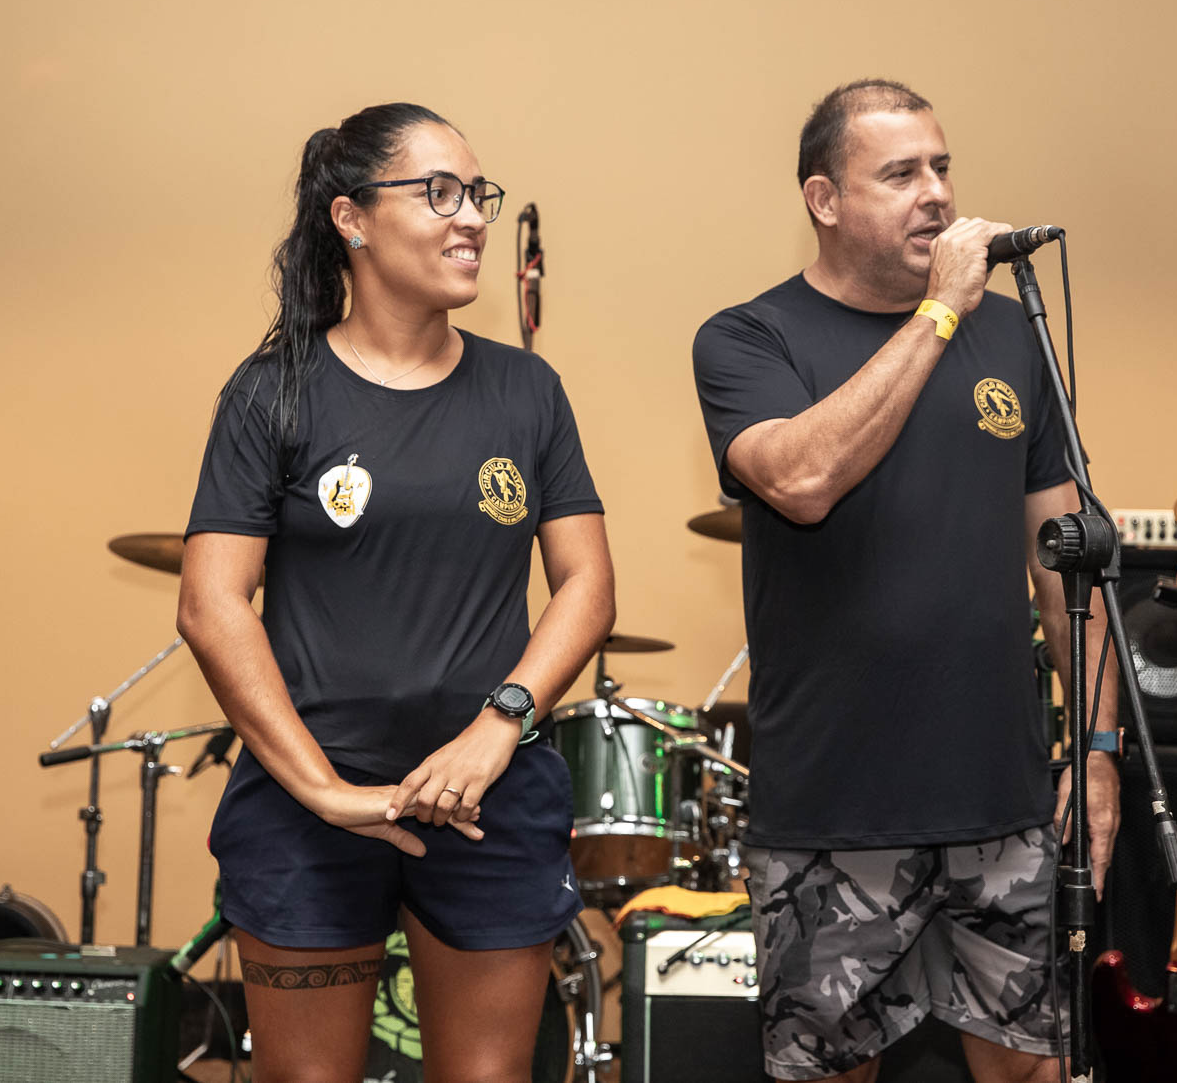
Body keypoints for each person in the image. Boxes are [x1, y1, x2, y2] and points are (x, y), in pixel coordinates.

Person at [177, 102, 615, 1083]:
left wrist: (499, 724)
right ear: (353, 218)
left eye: (477, 194)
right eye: (439, 192)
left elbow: (586, 584)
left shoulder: (527, 391)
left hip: (488, 795)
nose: (472, 217)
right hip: (306, 800)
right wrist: (325, 792)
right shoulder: (272, 391)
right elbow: (210, 604)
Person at [691, 80, 1119, 1083]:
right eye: (899, 173)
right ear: (824, 199)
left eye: (941, 166)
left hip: (1001, 802)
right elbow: (801, 479)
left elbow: (1064, 561)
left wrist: (1097, 751)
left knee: (1035, 1069)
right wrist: (940, 312)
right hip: (835, 810)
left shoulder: (1013, 334)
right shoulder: (749, 338)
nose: (936, 192)